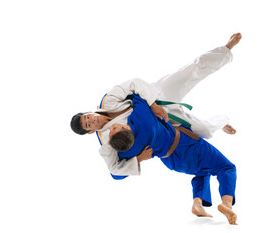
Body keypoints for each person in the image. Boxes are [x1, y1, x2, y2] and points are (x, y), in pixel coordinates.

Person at [70, 33, 242, 178]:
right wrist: (138, 160)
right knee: (204, 131)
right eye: (88, 124)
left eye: (87, 116)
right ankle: (221, 123)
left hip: (156, 96)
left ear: (89, 112)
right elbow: (114, 171)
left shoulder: (107, 100)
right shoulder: (107, 140)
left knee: (192, 70)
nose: (91, 120)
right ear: (91, 131)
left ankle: (226, 50)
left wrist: (152, 105)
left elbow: (134, 83)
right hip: (163, 124)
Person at [108, 94, 238, 225]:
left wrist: (139, 158)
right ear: (127, 127)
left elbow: (116, 174)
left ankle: (197, 204)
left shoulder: (128, 150)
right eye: (114, 128)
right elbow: (137, 95)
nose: (110, 127)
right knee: (226, 167)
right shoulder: (143, 119)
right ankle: (227, 204)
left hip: (172, 162)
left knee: (202, 170)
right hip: (185, 145)